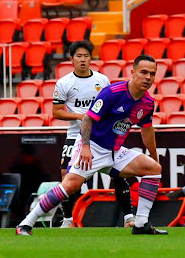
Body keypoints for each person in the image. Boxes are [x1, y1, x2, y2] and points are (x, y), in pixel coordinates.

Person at [16, 55, 167, 236]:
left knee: (154, 169)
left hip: (115, 151)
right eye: (144, 72)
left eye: (152, 74)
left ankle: (141, 224)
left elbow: (147, 130)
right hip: (92, 146)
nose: (148, 77)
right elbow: (87, 118)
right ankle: (25, 224)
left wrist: (154, 155)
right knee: (70, 186)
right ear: (133, 72)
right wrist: (85, 148)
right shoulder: (112, 92)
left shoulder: (148, 103)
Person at [52, 40, 134, 228]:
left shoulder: (102, 80)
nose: (83, 60)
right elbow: (56, 112)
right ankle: (67, 220)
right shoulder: (64, 83)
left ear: (91, 59)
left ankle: (129, 217)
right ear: (71, 59)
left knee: (118, 172)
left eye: (86, 56)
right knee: (66, 174)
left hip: (101, 135)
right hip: (75, 134)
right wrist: (83, 116)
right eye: (79, 56)